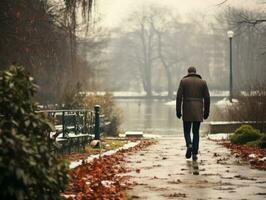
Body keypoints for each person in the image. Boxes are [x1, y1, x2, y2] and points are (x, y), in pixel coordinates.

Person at [176, 66, 210, 161]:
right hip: (198, 110)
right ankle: (194, 153)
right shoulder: (203, 82)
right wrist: (206, 111)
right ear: (195, 72)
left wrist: (178, 111)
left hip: (187, 109)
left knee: (187, 131)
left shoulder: (183, 82)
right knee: (196, 132)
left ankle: (189, 144)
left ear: (188, 72)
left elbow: (179, 97)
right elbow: (207, 98)